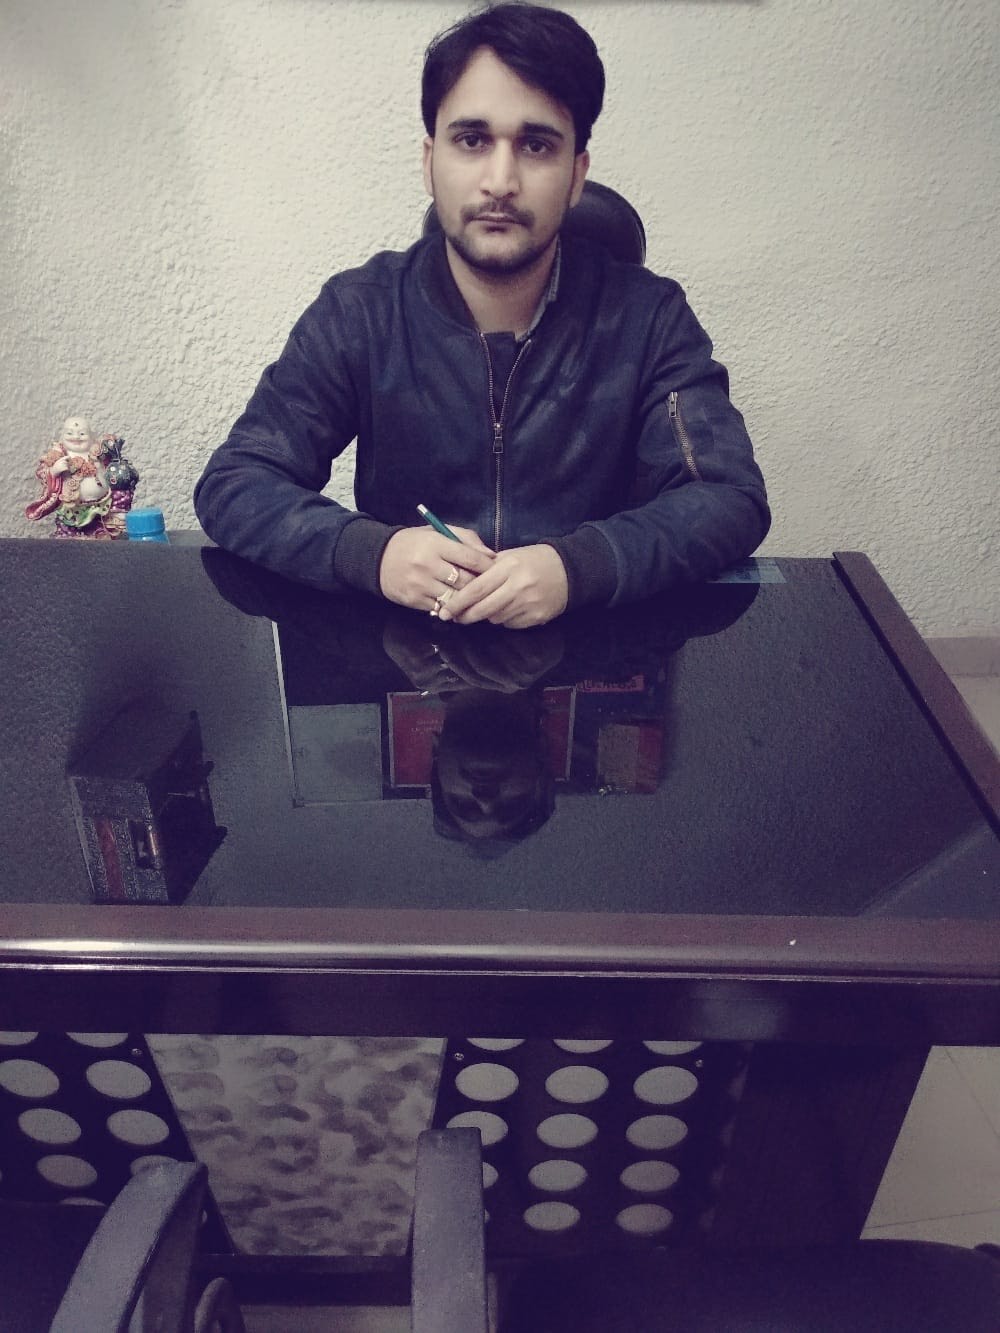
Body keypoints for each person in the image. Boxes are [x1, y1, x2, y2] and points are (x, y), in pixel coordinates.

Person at [194, 3, 769, 629]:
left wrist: (576, 567)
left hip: (588, 652)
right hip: (409, 650)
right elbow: (237, 481)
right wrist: (375, 554)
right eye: (472, 140)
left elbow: (726, 497)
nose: (500, 180)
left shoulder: (648, 318)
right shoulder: (361, 311)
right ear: (428, 161)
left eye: (536, 145)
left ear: (576, 175)